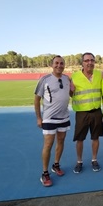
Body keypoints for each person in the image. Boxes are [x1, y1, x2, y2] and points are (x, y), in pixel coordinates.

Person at [34, 55, 72, 187]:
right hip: (49, 118)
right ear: (52, 65)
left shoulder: (67, 78)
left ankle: (56, 165)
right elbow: (36, 100)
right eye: (56, 63)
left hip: (64, 117)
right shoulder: (45, 80)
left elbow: (71, 93)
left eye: (61, 63)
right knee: (48, 145)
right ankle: (44, 173)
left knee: (61, 141)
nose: (59, 65)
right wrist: (39, 118)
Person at [70, 52, 103, 173]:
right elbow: (69, 93)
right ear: (82, 63)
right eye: (86, 60)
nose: (89, 62)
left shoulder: (100, 74)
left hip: (96, 112)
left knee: (95, 138)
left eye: (92, 60)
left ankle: (94, 160)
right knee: (80, 139)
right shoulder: (74, 77)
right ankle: (79, 161)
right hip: (81, 113)